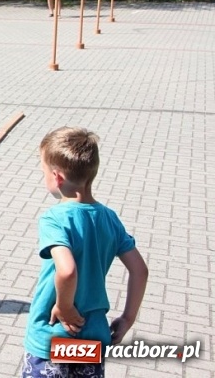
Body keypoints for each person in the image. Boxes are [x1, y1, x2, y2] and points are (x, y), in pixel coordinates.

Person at [22, 127, 148, 377]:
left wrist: (65, 306)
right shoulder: (109, 218)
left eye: (43, 171)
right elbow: (140, 270)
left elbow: (67, 270)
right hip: (92, 338)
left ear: (57, 177)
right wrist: (128, 318)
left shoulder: (54, 219)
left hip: (52, 338)